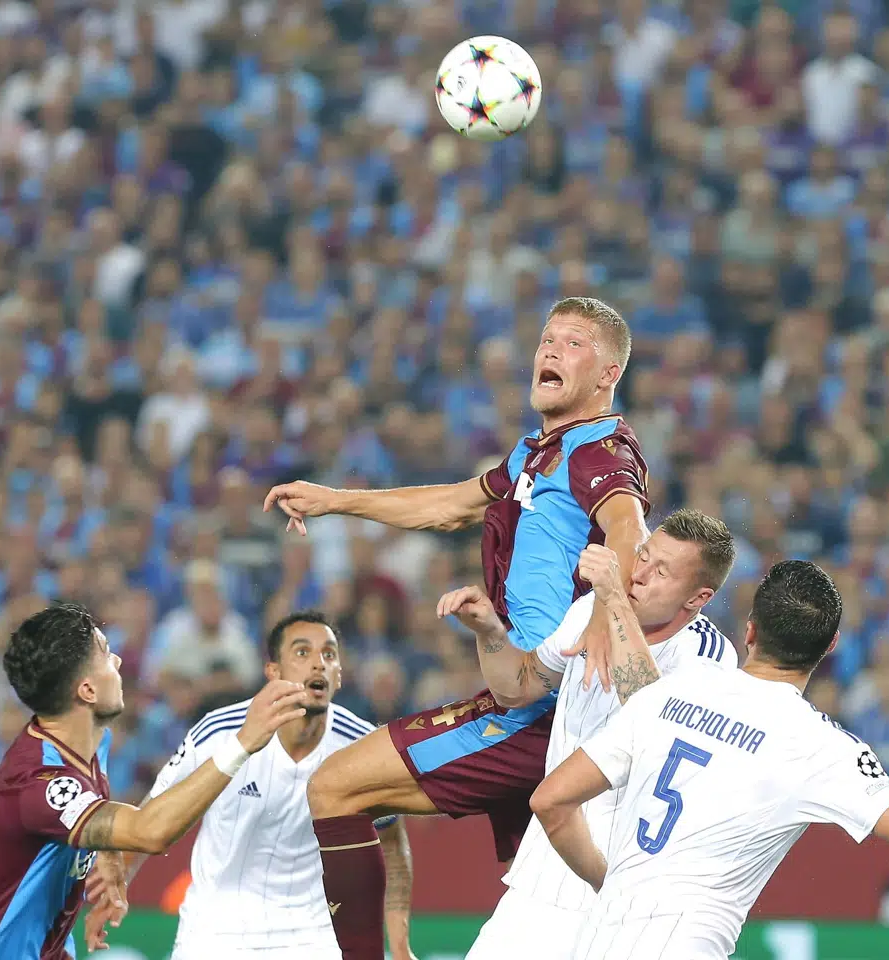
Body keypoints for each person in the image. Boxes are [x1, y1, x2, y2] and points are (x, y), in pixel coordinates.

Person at [264, 297, 651, 960]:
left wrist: (606, 616)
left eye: (574, 344)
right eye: (547, 338)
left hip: (550, 712)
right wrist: (335, 501)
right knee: (568, 915)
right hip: (528, 694)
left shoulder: (601, 453)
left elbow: (630, 528)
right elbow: (451, 505)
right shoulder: (537, 453)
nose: (551, 351)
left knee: (335, 787)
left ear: (608, 373)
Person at [530, 560, 889, 960]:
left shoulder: (668, 691)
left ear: (750, 630)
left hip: (595, 941)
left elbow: (551, 801)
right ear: (830, 647)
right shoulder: (816, 744)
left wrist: (608, 881)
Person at [440, 510, 738, 959]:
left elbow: (650, 724)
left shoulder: (709, 657)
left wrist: (614, 602)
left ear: (698, 597)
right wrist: (488, 631)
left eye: (662, 571)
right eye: (643, 556)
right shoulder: (589, 611)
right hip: (545, 874)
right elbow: (519, 688)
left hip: (627, 896)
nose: (638, 574)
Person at [0, 603, 308, 960]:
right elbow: (150, 832)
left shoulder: (87, 741)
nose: (117, 662)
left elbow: (78, 813)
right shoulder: (40, 783)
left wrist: (106, 850)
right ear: (87, 691)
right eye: (106, 654)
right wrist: (242, 743)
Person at [90, 611, 417, 960]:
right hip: (213, 937)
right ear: (273, 671)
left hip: (314, 941)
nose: (318, 664)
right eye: (302, 653)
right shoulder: (218, 732)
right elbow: (150, 817)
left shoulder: (362, 748)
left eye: (329, 654)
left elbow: (394, 850)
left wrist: (399, 946)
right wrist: (117, 880)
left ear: (339, 674)